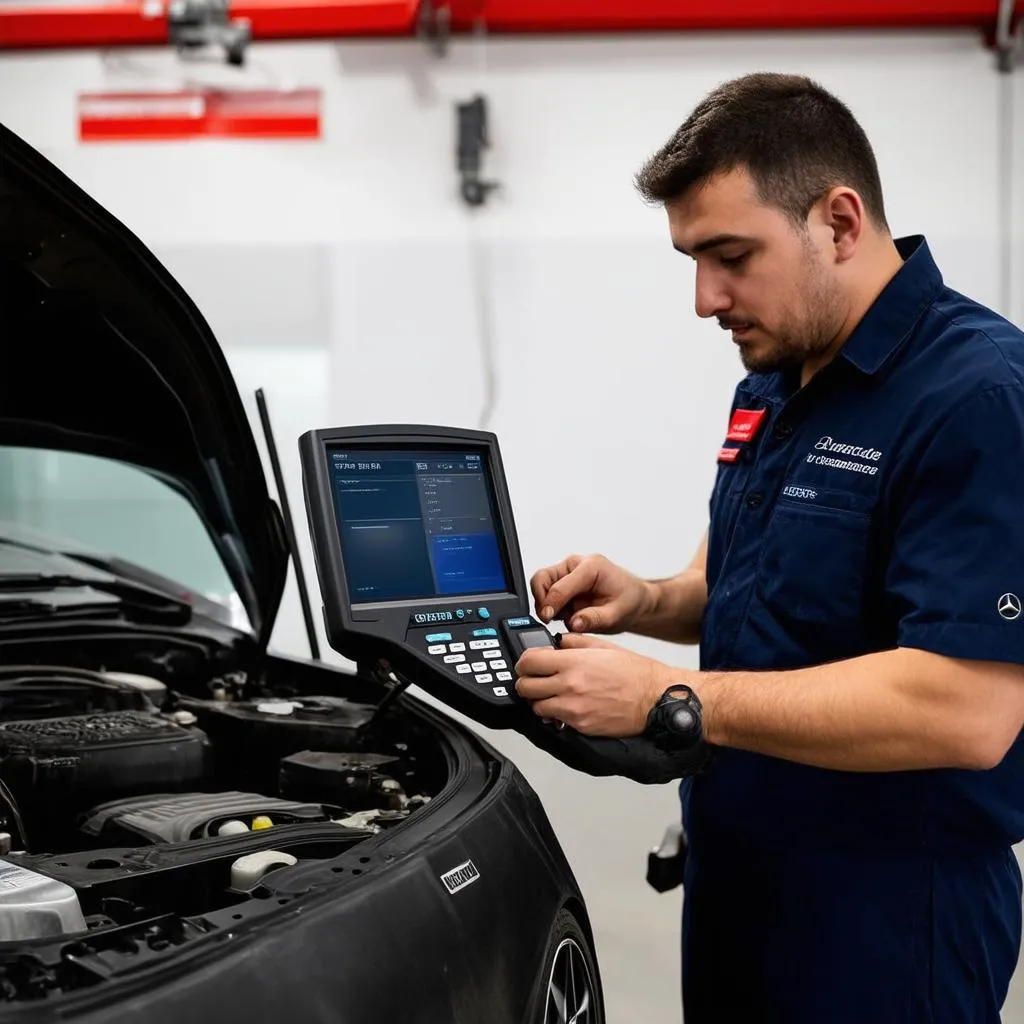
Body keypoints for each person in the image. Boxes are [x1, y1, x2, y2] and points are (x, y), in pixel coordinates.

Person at [514, 72, 1024, 1024]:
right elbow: (750, 587)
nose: (706, 299)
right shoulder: (775, 381)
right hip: (741, 879)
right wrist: (649, 598)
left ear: (838, 221)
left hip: (886, 919)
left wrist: (669, 697)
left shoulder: (978, 398)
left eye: (731, 256)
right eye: (691, 260)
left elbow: (969, 709)